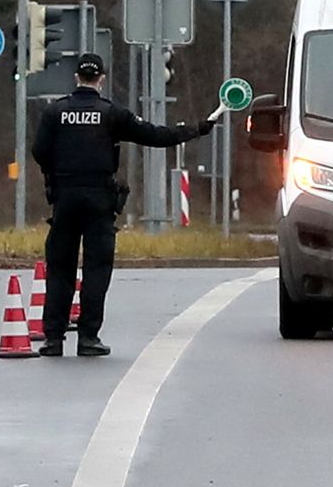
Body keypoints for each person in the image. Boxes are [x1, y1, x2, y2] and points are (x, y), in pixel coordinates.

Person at [31, 52, 213, 357]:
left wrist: (57, 173)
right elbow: (155, 135)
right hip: (99, 199)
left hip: (65, 198)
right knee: (96, 268)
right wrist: (195, 129)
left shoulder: (55, 112)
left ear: (76, 78)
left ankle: (53, 339)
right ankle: (88, 338)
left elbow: (39, 151)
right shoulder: (111, 113)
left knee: (60, 267)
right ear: (100, 78)